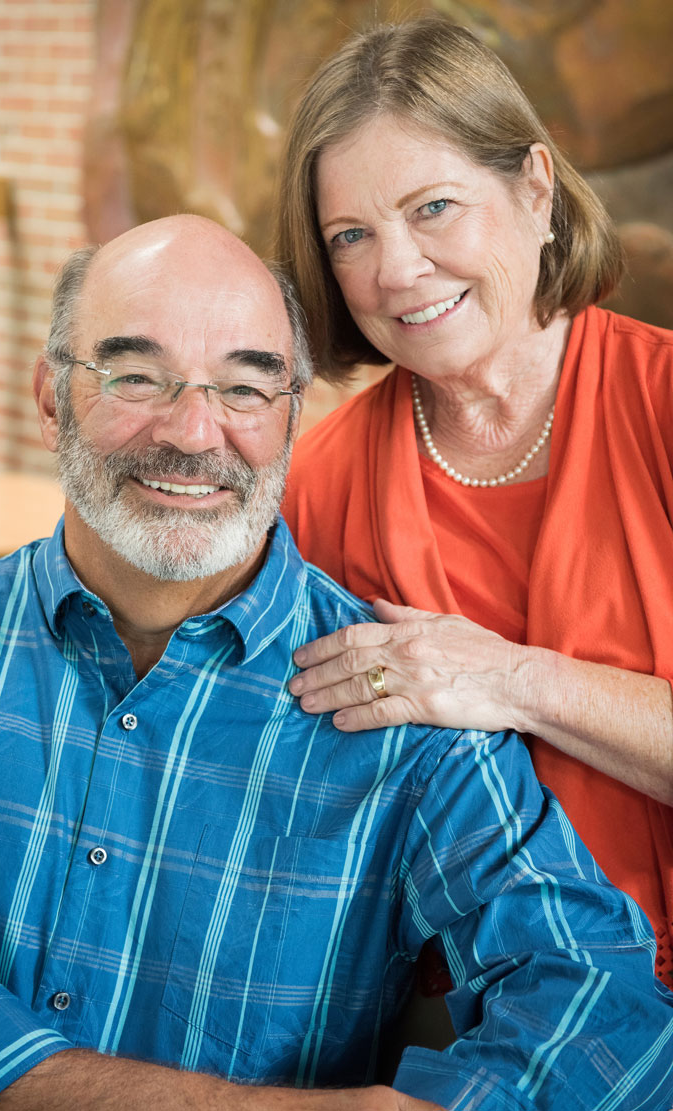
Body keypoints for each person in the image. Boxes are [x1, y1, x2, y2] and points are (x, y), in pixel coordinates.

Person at [0, 216, 672, 1111]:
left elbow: (607, 1006)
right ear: (53, 392)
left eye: (247, 387)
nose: (193, 431)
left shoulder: (405, 709)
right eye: (136, 375)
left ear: (293, 416)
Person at [276, 15, 673, 994]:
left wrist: (510, 681)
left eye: (433, 207)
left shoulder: (658, 406)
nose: (395, 269)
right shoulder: (320, 480)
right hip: (455, 1017)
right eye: (350, 236)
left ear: (534, 189)